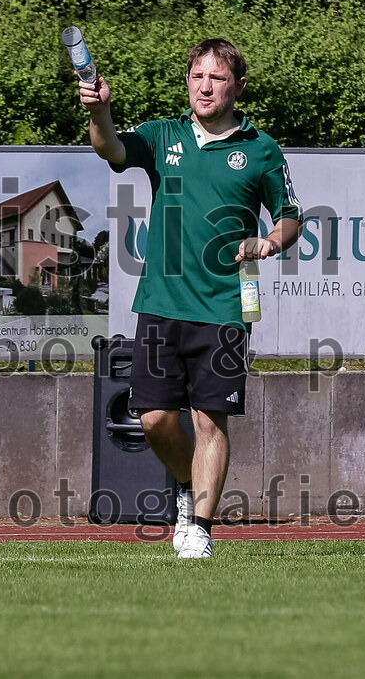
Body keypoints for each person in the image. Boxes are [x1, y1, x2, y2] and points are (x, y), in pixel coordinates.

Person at [80, 38, 302, 559]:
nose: (205, 86)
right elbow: (109, 148)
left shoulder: (262, 148)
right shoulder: (163, 135)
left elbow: (291, 215)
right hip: (161, 302)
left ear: (238, 86)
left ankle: (198, 527)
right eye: (197, 76)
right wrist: (100, 110)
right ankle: (189, 487)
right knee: (155, 420)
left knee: (209, 420)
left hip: (226, 306)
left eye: (217, 78)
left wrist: (270, 240)